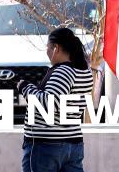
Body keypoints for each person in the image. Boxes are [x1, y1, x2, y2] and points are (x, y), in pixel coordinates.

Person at [15, 27, 94, 172]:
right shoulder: (84, 72)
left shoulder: (63, 71)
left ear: (56, 48)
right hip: (72, 144)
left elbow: (49, 104)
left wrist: (25, 87)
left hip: (46, 146)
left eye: (48, 47)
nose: (47, 52)